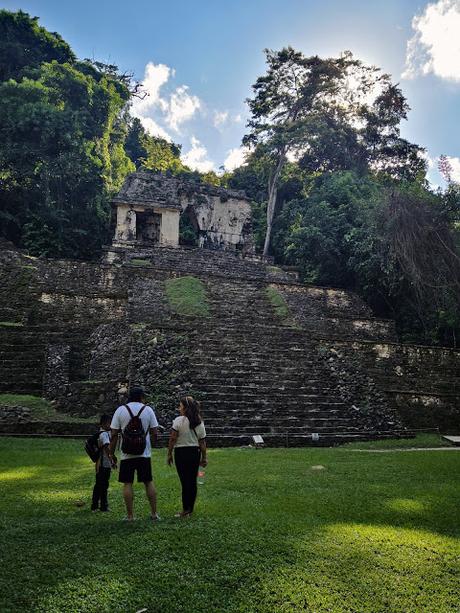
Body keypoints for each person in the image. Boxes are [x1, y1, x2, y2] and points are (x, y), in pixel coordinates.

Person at [109, 386, 160, 521]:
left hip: (126, 454)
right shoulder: (148, 410)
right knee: (148, 482)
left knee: (127, 483)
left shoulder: (121, 410)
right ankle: (154, 513)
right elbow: (155, 432)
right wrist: (151, 443)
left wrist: (111, 453)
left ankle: (130, 516)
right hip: (144, 453)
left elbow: (114, 434)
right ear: (141, 397)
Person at [167, 396, 207, 518]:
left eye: (180, 406)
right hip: (195, 452)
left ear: (184, 408)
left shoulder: (179, 421)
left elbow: (173, 438)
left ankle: (185, 510)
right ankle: (190, 508)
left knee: (184, 481)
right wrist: (204, 457)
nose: (179, 408)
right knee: (192, 481)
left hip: (181, 452)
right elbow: (202, 442)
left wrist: (169, 453)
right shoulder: (198, 422)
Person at [91, 413, 116, 512]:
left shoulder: (102, 434)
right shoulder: (104, 434)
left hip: (101, 464)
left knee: (99, 485)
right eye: (109, 423)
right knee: (103, 486)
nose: (110, 425)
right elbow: (106, 447)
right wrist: (112, 460)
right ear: (103, 424)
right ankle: (103, 506)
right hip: (103, 464)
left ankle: (95, 505)